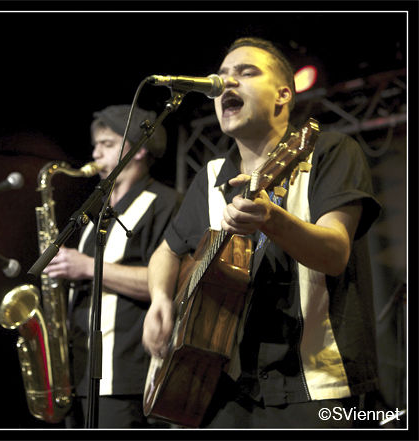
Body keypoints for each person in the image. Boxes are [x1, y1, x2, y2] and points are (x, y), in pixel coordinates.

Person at [142, 37, 382, 428]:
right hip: (226, 391)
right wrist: (160, 300)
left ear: (283, 95)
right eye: (220, 77)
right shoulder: (210, 178)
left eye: (245, 73)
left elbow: (335, 253)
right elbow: (166, 253)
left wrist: (272, 218)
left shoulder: (328, 152)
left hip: (319, 385)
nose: (226, 84)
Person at [43, 105, 181, 428]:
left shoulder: (165, 202)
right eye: (96, 145)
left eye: (106, 144)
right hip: (77, 373)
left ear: (138, 149)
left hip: (125, 375)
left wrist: (86, 266)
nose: (95, 152)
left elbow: (168, 281)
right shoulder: (98, 212)